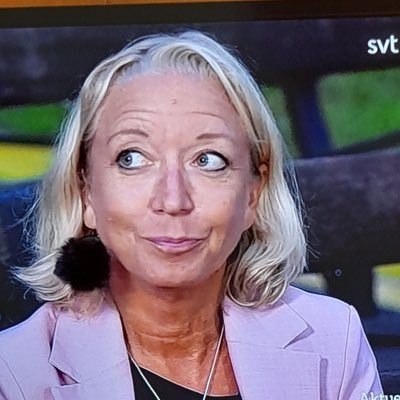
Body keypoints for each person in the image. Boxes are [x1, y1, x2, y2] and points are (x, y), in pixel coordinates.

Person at [0, 31, 382, 400]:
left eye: (209, 160)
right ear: (86, 190)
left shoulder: (334, 339)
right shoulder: (14, 374)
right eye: (132, 158)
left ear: (253, 193)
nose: (173, 199)